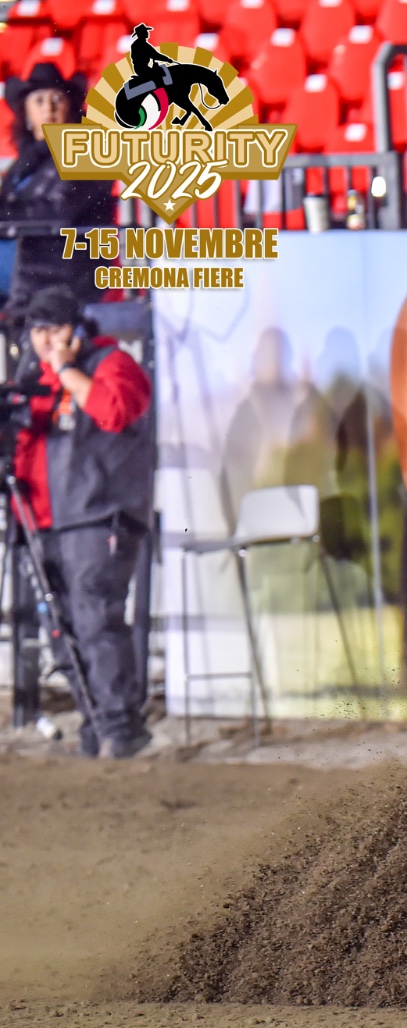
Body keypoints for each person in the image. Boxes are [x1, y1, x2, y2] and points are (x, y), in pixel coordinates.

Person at [12, 286, 156, 758]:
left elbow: (115, 412)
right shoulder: (36, 383)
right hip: (43, 523)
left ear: (76, 331)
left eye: (52, 329)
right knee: (63, 633)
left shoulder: (112, 365)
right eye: (36, 330)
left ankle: (121, 729)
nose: (43, 340)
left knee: (96, 620)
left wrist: (67, 370)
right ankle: (99, 727)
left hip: (99, 514)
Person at [0, 64, 115, 312]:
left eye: (56, 99)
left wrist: (5, 211)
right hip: (18, 290)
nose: (48, 108)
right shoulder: (22, 166)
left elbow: (60, 211)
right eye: (39, 101)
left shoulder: (89, 153)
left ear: (71, 108)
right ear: (26, 113)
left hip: (61, 284)